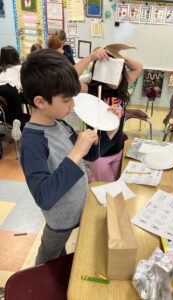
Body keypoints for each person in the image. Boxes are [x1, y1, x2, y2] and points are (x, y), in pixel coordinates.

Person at [20, 48, 120, 265]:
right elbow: (44, 197)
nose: (73, 105)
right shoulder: (32, 142)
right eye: (66, 100)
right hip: (60, 219)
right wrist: (75, 152)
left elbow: (90, 155)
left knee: (62, 256)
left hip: (78, 208)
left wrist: (111, 128)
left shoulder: (60, 125)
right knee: (48, 256)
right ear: (40, 102)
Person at [81, 50, 143, 182]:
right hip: (99, 154)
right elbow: (68, 80)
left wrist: (119, 58)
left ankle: (92, 180)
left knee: (114, 182)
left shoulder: (122, 87)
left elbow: (138, 67)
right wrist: (91, 57)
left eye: (119, 72)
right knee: (108, 188)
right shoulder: (91, 89)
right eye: (111, 72)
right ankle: (92, 180)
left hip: (118, 149)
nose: (117, 78)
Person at [0, 46, 28, 129]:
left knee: (6, 109)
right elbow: (24, 84)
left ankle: (7, 120)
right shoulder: (19, 67)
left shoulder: (1, 69)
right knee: (18, 117)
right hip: (9, 88)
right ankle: (24, 131)